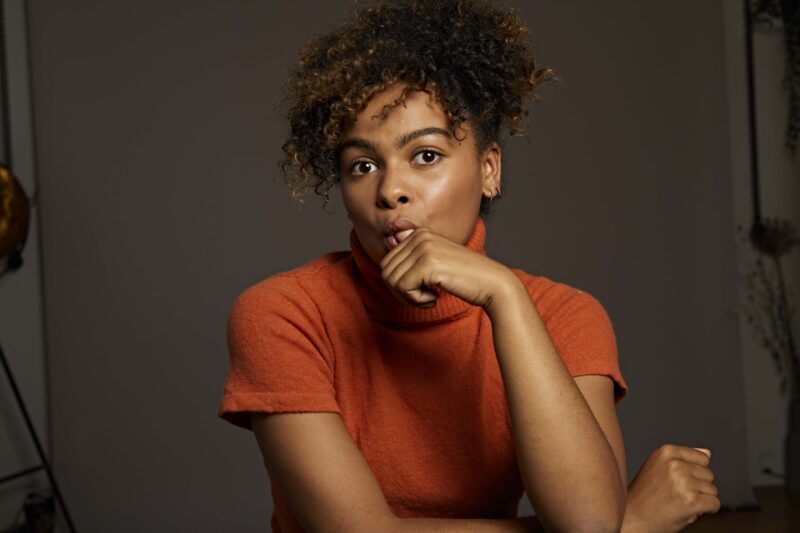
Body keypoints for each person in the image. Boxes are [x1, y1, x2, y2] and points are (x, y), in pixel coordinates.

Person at [218, 1, 721, 531]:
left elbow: (588, 520)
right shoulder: (282, 314)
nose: (391, 190)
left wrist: (504, 296)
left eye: (426, 155)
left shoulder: (565, 316)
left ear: (489, 170)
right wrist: (632, 525)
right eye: (362, 166)